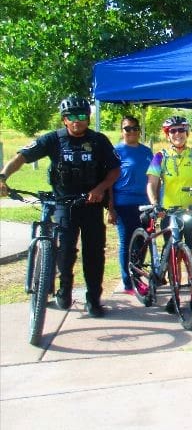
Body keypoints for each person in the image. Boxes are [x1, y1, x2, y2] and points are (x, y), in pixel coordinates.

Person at [0, 96, 121, 317]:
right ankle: (64, 290)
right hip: (64, 206)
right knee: (65, 252)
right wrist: (3, 176)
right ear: (64, 119)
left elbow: (115, 170)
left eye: (81, 116)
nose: (77, 120)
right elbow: (22, 157)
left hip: (92, 205)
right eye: (71, 116)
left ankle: (93, 299)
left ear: (88, 118)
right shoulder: (53, 139)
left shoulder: (99, 140)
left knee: (94, 254)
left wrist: (100, 188)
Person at [147, 115, 192, 313]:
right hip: (169, 213)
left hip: (191, 211)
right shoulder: (160, 156)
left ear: (187, 132)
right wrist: (155, 204)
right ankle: (174, 296)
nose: (177, 134)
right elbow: (152, 183)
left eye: (181, 130)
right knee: (175, 255)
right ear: (167, 135)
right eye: (173, 131)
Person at [108, 115, 153, 294]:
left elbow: (154, 178)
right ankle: (128, 282)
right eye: (127, 128)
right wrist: (110, 208)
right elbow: (109, 182)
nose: (131, 131)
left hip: (145, 204)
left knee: (142, 242)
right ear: (122, 131)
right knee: (127, 242)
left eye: (135, 128)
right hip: (123, 204)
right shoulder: (116, 152)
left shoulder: (147, 152)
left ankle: (137, 276)